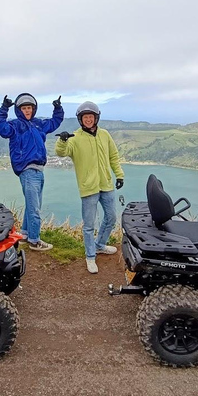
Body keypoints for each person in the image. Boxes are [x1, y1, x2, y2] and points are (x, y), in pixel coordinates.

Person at [55, 101, 124, 274]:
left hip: (106, 184)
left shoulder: (105, 135)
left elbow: (113, 156)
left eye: (91, 117)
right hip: (89, 187)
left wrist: (119, 174)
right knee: (89, 225)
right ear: (80, 119)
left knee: (111, 217)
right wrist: (63, 141)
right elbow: (62, 152)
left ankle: (100, 245)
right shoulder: (75, 137)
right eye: (85, 117)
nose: (88, 120)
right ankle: (90, 256)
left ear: (96, 118)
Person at [0, 93, 64, 251]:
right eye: (24, 108)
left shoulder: (38, 124)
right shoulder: (15, 126)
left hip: (39, 170)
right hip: (27, 170)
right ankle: (35, 240)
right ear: (19, 110)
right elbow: (0, 127)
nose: (27, 111)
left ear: (34, 109)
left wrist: (58, 109)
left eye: (30, 108)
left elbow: (54, 122)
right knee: (35, 209)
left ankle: (25, 235)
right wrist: (4, 108)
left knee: (33, 205)